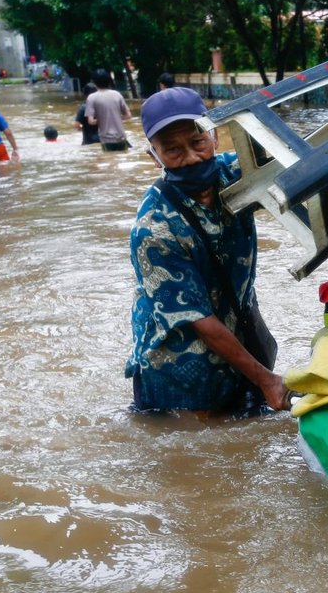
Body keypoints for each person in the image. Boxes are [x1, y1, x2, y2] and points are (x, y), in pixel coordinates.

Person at [125, 86, 288, 414]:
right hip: (179, 375)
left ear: (214, 136)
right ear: (153, 155)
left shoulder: (234, 175)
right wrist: (267, 379)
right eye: (173, 150)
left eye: (197, 142)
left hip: (239, 345)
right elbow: (197, 318)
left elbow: (296, 166)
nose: (191, 157)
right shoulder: (153, 228)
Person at [85, 69, 130, 151]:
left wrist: (103, 118)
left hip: (106, 139)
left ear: (94, 83)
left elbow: (91, 121)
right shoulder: (117, 94)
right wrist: (115, 117)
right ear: (109, 81)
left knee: (110, 161)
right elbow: (128, 115)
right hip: (121, 137)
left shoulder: (91, 98)